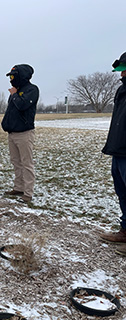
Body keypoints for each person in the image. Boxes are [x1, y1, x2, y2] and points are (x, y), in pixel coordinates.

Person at [100, 52, 126, 256]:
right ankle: (125, 230)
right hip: (118, 149)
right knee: (122, 192)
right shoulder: (121, 91)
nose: (122, 74)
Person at [1, 64, 39, 203]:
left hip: (24, 133)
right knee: (16, 162)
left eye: (13, 76)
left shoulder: (31, 90)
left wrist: (15, 95)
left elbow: (23, 105)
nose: (11, 79)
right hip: (12, 133)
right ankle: (19, 187)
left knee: (26, 163)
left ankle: (28, 193)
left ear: (21, 76)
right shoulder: (15, 92)